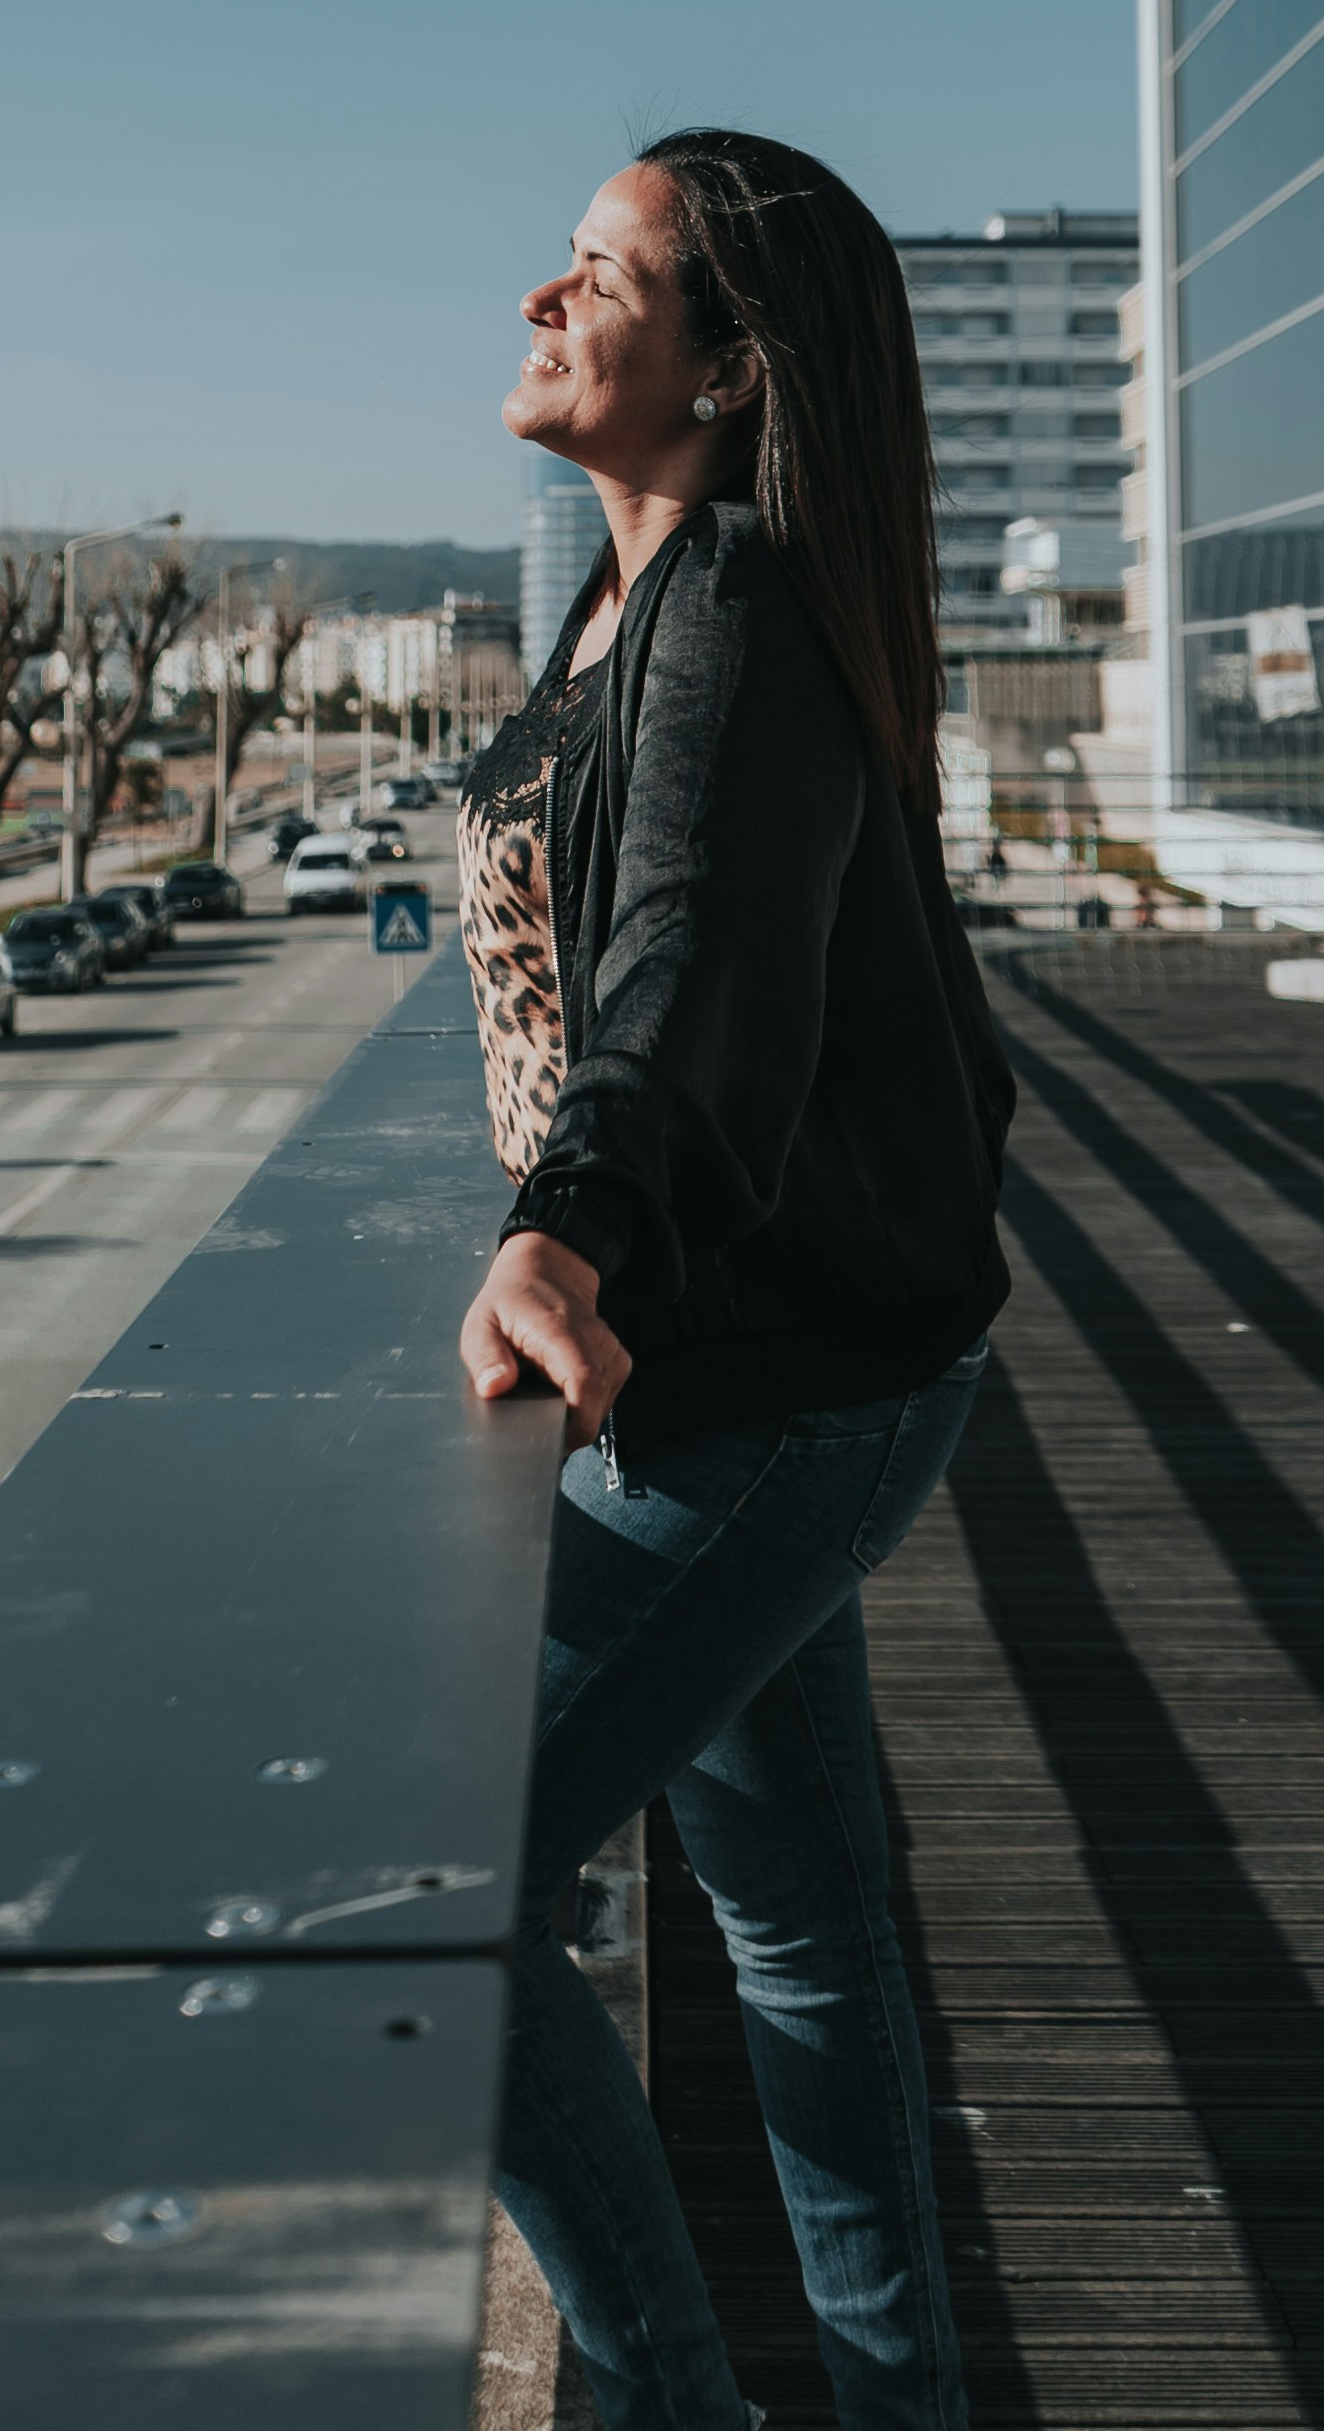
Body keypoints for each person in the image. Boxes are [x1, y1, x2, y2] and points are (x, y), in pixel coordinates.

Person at [457, 128, 1015, 2431]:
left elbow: (685, 971)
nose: (539, 297)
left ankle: (665, 2390)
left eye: (599, 273)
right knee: (795, 1929)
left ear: (725, 366)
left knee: (434, 1874)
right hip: (758, 1366)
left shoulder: (736, 616)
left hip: (769, 1384)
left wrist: (568, 1224)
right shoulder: (621, 604)